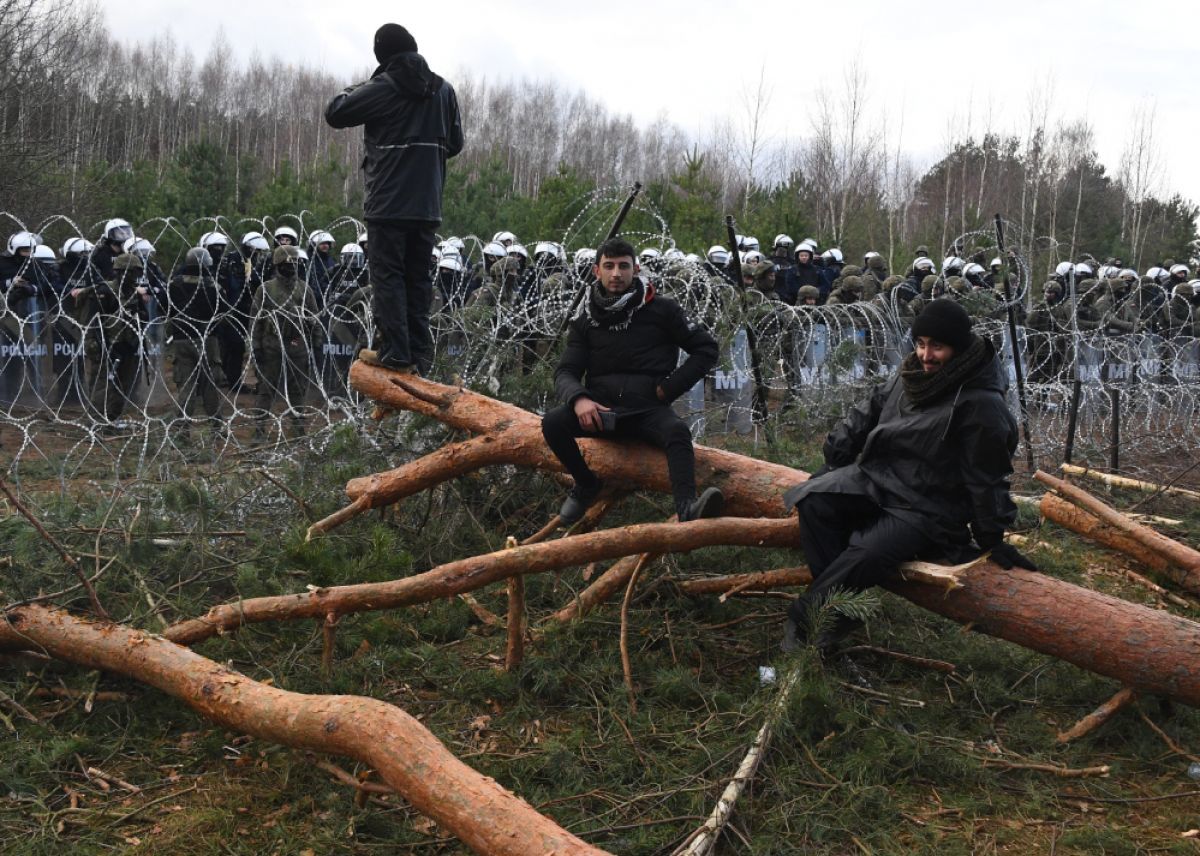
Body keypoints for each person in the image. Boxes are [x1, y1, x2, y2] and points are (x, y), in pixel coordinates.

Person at [780, 299, 1034, 655]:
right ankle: (841, 614)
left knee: (867, 552)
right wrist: (834, 458)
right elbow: (867, 411)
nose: (926, 354)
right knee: (815, 501)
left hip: (930, 506)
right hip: (879, 479)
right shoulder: (912, 375)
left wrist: (992, 537)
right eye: (920, 343)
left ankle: (810, 617)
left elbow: (986, 478)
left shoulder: (981, 403)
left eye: (937, 346)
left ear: (958, 349)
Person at [542, 238, 725, 524]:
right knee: (552, 423)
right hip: (600, 412)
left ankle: (687, 509)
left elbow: (706, 349)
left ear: (636, 269)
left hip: (647, 409)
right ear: (596, 271)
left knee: (677, 432)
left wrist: (668, 389)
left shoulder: (663, 310)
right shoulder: (586, 318)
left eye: (624, 266)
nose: (616, 273)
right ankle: (587, 484)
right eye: (609, 266)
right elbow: (565, 371)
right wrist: (579, 399)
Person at [325, 23, 464, 375]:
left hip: (388, 203)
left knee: (388, 277)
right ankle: (420, 353)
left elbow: (336, 111)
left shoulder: (385, 87)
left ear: (382, 57)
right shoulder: (443, 90)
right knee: (418, 280)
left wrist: (369, 82)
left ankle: (395, 352)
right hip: (427, 205)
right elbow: (456, 143)